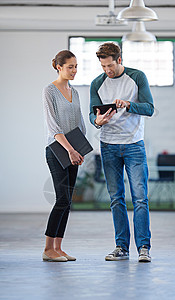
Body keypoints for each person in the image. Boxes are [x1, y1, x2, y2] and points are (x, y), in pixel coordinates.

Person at [89, 42, 154, 262]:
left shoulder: (137, 77)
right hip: (108, 146)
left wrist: (128, 104)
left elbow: (150, 108)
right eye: (103, 66)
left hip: (134, 144)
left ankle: (144, 248)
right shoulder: (97, 83)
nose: (107, 70)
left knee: (140, 199)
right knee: (116, 199)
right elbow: (92, 114)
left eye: (110, 65)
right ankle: (121, 248)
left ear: (119, 60)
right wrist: (97, 121)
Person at [42, 50, 86, 262]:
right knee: (61, 199)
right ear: (59, 67)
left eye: (76, 66)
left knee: (68, 202)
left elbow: (80, 124)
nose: (74, 70)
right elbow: (53, 127)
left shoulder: (75, 92)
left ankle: (58, 248)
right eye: (70, 66)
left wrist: (80, 149)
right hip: (57, 150)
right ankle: (48, 249)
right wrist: (70, 149)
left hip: (73, 151)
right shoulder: (49, 90)